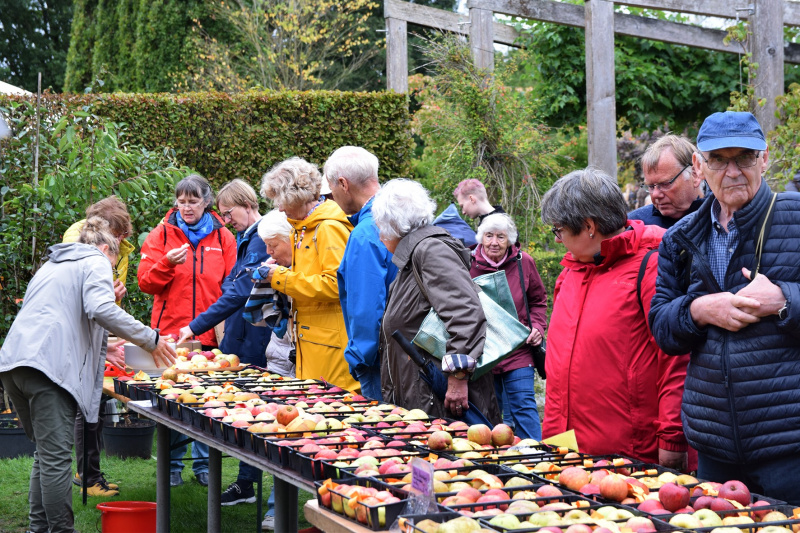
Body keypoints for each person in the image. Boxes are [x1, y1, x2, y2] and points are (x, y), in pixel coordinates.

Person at [650, 111, 800, 503]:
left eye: (744, 157)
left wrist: (784, 299)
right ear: (699, 166)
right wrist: (699, 310)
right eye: (718, 159)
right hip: (714, 445)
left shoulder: (796, 218)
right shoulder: (680, 238)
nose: (732, 171)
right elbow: (662, 327)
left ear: (764, 159)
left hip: (789, 444)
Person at [0, 217, 176, 533]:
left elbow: (61, 316)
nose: (112, 271)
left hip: (15, 364)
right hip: (47, 370)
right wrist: (150, 338)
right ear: (106, 249)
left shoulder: (53, 265)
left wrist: (104, 346)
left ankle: (38, 530)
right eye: (114, 263)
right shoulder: (95, 260)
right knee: (56, 460)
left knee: (46, 454)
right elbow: (100, 308)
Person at [540, 167, 691, 472]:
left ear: (589, 226)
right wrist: (554, 438)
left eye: (559, 230)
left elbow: (675, 361)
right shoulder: (570, 272)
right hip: (565, 446)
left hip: (626, 455)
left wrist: (672, 440)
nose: (557, 240)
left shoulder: (651, 267)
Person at [172, 179, 272, 505]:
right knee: (240, 412)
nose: (226, 221)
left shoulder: (262, 239)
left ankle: (256, 491)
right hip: (239, 338)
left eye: (229, 213)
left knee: (254, 415)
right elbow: (232, 284)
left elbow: (240, 291)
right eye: (223, 215)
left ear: (248, 204)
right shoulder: (246, 238)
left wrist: (195, 326)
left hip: (256, 340)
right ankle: (246, 484)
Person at [373, 178, 501, 423]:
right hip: (427, 396)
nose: (379, 236)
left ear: (395, 225)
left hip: (440, 400)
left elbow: (465, 313)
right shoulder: (414, 255)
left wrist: (457, 376)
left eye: (381, 228)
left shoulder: (430, 251)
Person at [138, 173, 237, 488]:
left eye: (193, 201)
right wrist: (166, 263)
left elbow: (232, 287)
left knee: (208, 402)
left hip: (209, 335)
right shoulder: (161, 235)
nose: (186, 207)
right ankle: (172, 465)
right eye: (181, 201)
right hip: (169, 335)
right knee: (172, 402)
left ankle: (204, 465)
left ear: (207, 202)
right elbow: (145, 283)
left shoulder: (224, 238)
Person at [258, 157, 358, 392]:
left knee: (332, 409)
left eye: (280, 201)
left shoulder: (327, 227)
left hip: (330, 349)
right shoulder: (303, 228)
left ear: (295, 197)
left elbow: (335, 285)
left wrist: (281, 277)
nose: (279, 209)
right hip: (314, 345)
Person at [63, 196, 134, 497]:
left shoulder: (120, 246)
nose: (120, 240)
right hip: (78, 336)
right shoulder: (78, 239)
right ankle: (87, 476)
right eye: (116, 234)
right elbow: (83, 297)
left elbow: (104, 300)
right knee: (85, 407)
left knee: (94, 406)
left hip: (96, 331)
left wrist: (115, 294)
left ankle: (91, 473)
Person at [323, 146, 398, 400]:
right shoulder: (402, 218)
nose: (331, 197)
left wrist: (359, 359)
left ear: (343, 184)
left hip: (379, 361)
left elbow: (367, 307)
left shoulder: (365, 233)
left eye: (331, 189)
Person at [469, 213, 547, 440]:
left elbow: (538, 301)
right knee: (487, 413)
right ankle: (491, 455)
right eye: (489, 236)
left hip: (518, 349)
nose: (494, 242)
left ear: (510, 240)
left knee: (523, 404)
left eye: (501, 237)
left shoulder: (524, 262)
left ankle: (534, 453)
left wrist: (538, 326)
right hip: (483, 352)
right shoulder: (467, 264)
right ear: (481, 237)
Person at [628, 134, 704, 229]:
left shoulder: (718, 218)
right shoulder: (635, 225)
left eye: (665, 184)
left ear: (694, 175)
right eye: (651, 186)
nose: (655, 194)